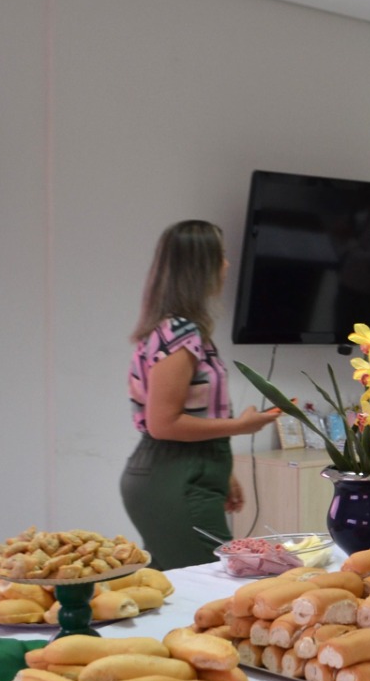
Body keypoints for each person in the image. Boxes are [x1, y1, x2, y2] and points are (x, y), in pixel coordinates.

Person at [120, 220, 281, 568]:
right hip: (175, 477)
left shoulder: (174, 330)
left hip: (180, 472)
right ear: (200, 267)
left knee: (183, 582)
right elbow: (164, 424)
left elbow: (194, 417)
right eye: (220, 256)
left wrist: (224, 473)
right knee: (211, 583)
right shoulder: (180, 334)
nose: (227, 264)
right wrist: (240, 427)